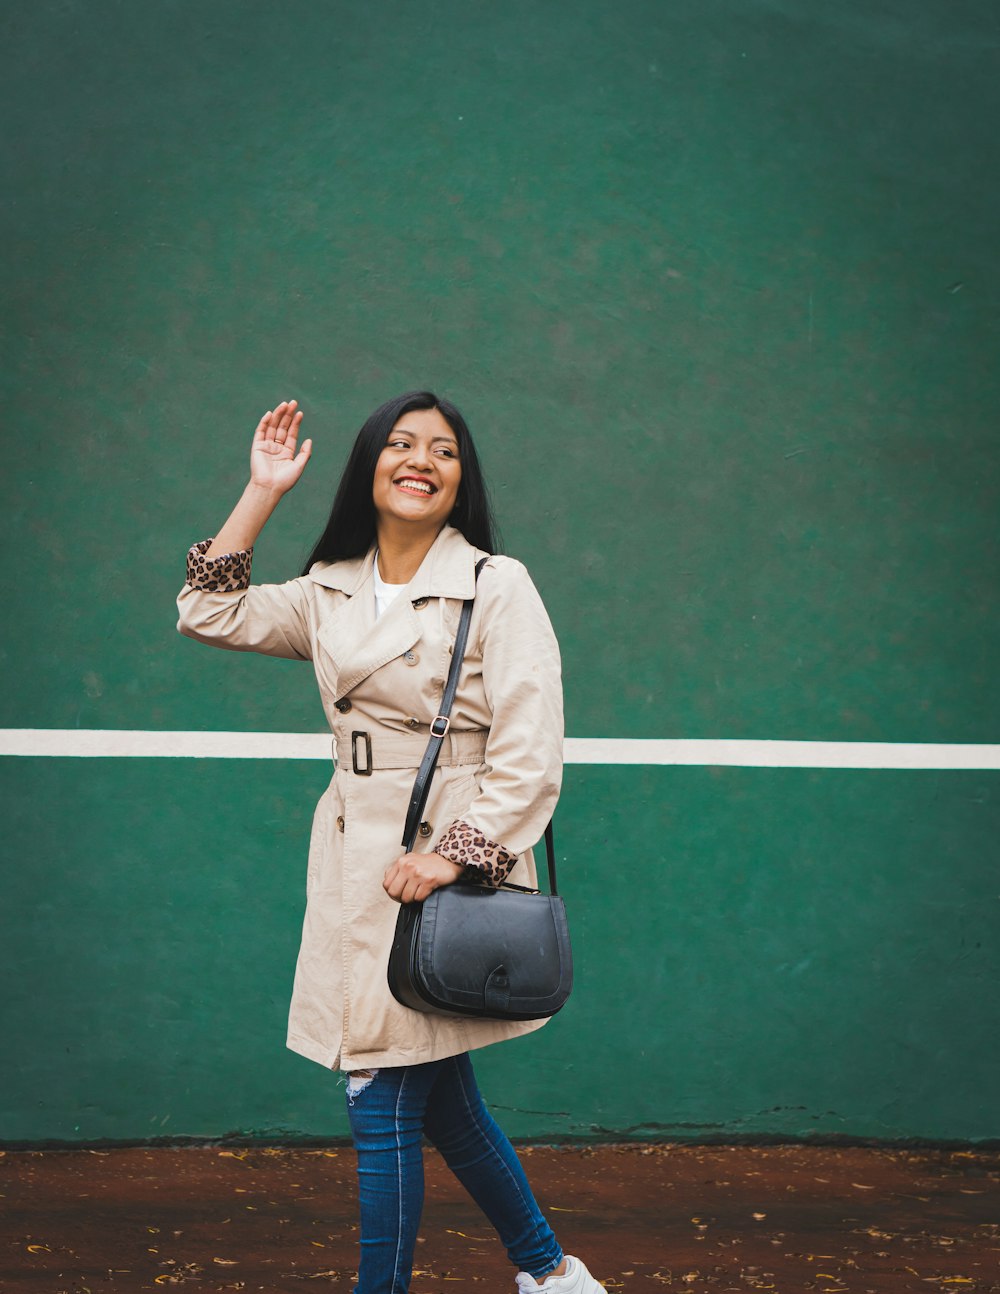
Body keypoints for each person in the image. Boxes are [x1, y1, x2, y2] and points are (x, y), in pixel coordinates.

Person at [176, 392, 606, 1294]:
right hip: (349, 862)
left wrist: (453, 853)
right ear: (369, 466)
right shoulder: (332, 589)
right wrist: (261, 492)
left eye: (443, 450)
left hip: (434, 872)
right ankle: (553, 1275)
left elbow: (532, 751)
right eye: (401, 444)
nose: (421, 459)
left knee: (381, 1094)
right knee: (441, 1102)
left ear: (461, 478)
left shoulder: (497, 584)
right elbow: (205, 611)